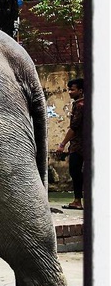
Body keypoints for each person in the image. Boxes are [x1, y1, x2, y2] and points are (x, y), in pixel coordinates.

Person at [56, 78, 85, 210]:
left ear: (80, 90)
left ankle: (77, 201)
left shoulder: (80, 106)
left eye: (72, 89)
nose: (69, 92)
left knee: (75, 171)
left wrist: (62, 144)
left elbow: (73, 128)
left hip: (79, 146)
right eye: (69, 89)